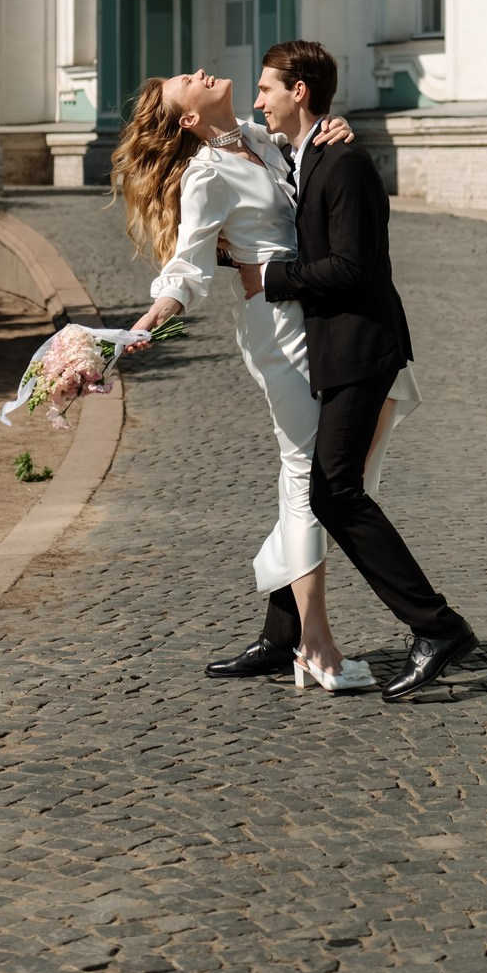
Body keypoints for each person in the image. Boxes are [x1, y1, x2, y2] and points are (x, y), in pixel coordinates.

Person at [113, 69, 377, 692]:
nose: (198, 72)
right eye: (186, 81)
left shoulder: (260, 140)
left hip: (321, 314)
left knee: (339, 464)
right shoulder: (208, 173)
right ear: (185, 119)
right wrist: (142, 327)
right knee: (309, 470)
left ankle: (287, 633)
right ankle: (315, 643)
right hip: (278, 326)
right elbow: (188, 264)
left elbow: (311, 165)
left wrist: (338, 128)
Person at [234, 40, 476, 703]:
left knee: (334, 492)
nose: (257, 100)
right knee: (320, 487)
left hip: (363, 349)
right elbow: (230, 132)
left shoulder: (343, 164)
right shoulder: (305, 152)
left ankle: (438, 627)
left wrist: (270, 278)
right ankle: (288, 631)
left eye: (266, 88)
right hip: (337, 349)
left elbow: (354, 269)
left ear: (301, 91)